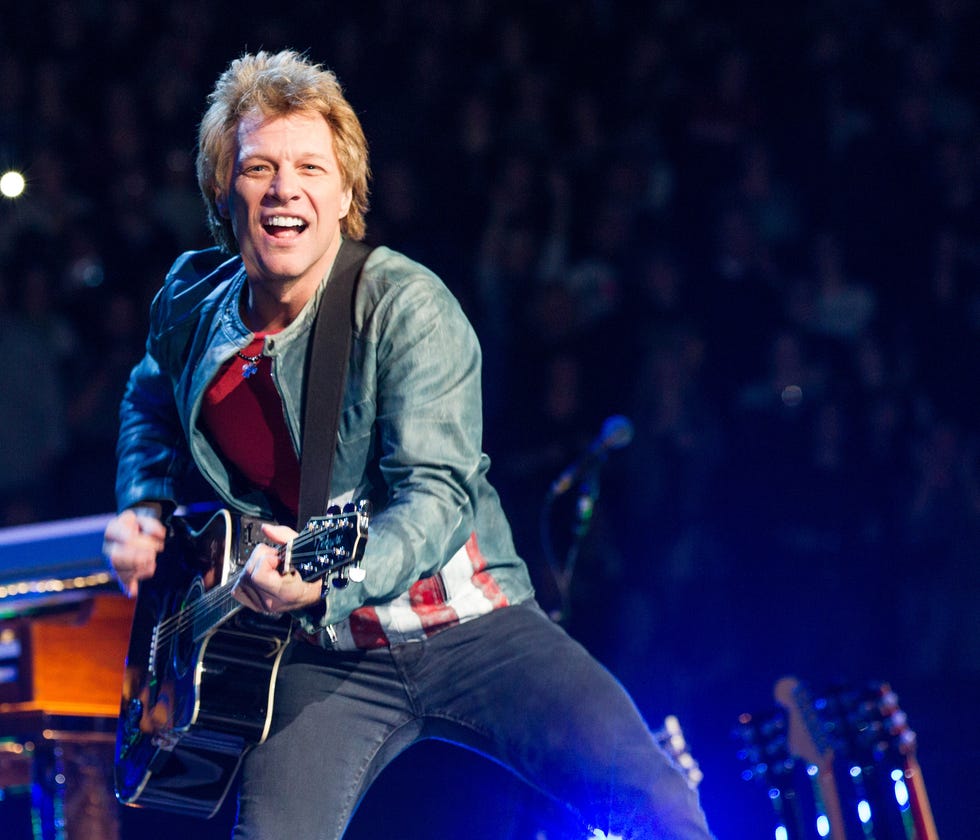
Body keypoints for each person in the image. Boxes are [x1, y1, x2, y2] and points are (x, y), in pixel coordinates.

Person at [102, 49, 714, 840]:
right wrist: (144, 504)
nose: (285, 188)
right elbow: (149, 392)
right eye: (259, 166)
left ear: (346, 192)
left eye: (310, 168)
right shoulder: (192, 304)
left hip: (473, 625)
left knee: (660, 805)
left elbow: (432, 497)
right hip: (315, 655)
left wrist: (327, 579)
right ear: (225, 192)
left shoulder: (406, 306)